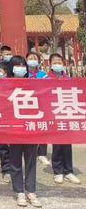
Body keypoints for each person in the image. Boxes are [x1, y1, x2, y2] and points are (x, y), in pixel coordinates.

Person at [7, 55, 42, 208]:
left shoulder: (33, 83)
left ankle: (31, 190)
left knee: (30, 161)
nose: (20, 67)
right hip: (13, 128)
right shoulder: (4, 84)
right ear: (11, 68)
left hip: (30, 127)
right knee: (14, 161)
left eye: (23, 65)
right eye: (17, 65)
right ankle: (19, 191)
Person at [47, 53, 81, 185]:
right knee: (57, 143)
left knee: (67, 143)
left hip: (66, 113)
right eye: (54, 62)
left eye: (59, 61)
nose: (57, 64)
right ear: (50, 64)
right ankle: (58, 171)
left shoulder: (68, 78)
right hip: (53, 114)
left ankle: (68, 170)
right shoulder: (46, 79)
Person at [0, 61, 12, 183]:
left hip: (12, 117)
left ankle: (14, 168)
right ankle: (6, 169)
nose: (0, 73)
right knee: (3, 145)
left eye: (2, 71)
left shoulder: (14, 83)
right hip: (0, 117)